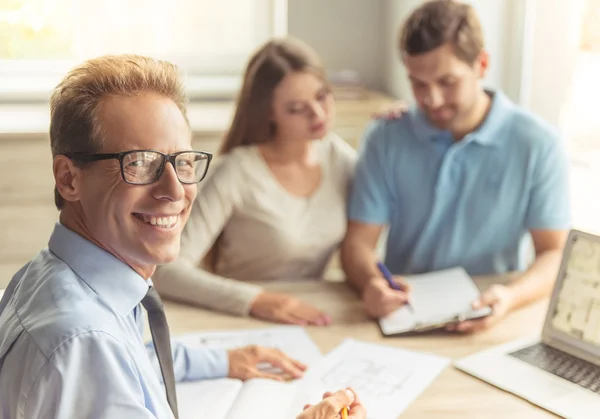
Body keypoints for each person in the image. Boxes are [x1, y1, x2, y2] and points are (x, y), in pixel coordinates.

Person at [0, 54, 364, 419]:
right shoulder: (84, 344)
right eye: (141, 162)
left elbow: (130, 357)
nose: (175, 191)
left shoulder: (53, 278)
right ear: (68, 179)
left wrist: (220, 360)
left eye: (183, 161)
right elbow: (99, 355)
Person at [341, 0, 571, 333]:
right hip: (404, 315)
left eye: (447, 82)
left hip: (491, 316)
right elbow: (357, 245)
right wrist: (371, 284)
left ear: (482, 64)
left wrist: (512, 296)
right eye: (418, 83)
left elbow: (553, 254)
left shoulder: (538, 144)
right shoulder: (386, 137)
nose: (431, 99)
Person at [153, 37, 357, 326]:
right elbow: (166, 272)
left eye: (323, 95)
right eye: (297, 108)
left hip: (313, 314)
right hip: (243, 319)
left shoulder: (341, 159)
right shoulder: (237, 172)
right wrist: (258, 300)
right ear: (269, 113)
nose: (318, 114)